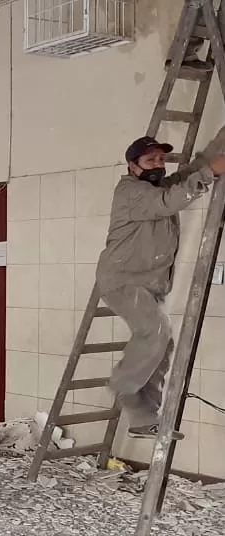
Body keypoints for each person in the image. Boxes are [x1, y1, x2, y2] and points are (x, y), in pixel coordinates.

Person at [96, 129, 225, 439]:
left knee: (162, 343)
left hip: (148, 285)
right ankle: (123, 387)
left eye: (161, 158)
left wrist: (220, 139)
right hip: (122, 281)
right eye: (149, 159)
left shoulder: (156, 187)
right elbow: (171, 200)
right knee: (155, 331)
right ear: (132, 165)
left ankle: (143, 418)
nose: (158, 164)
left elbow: (191, 171)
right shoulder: (131, 192)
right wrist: (213, 172)